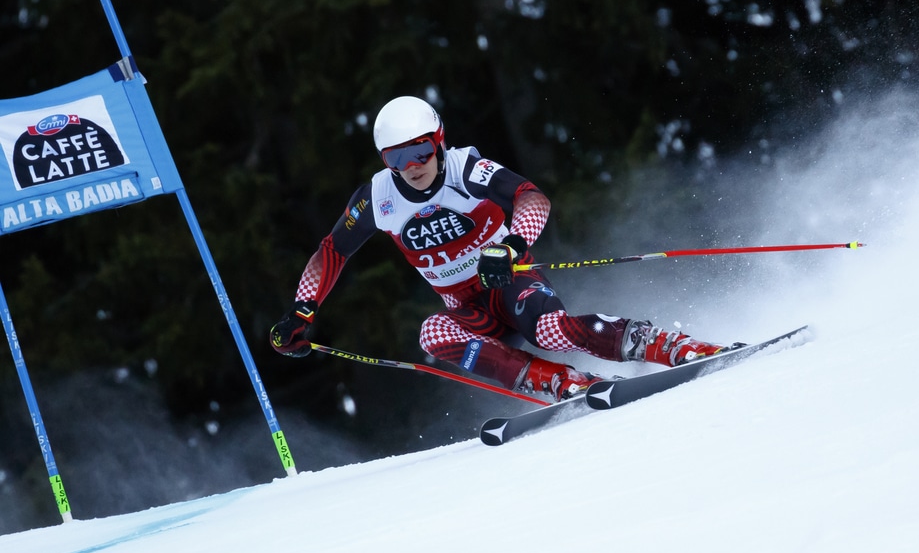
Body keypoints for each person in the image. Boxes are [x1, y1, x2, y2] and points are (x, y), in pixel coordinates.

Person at [269, 96, 730, 401]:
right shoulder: (378, 198)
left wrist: (511, 246)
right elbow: (331, 251)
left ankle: (669, 345)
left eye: (421, 151)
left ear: (439, 142)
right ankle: (555, 382)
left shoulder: (466, 169)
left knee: (549, 330)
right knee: (432, 335)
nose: (412, 166)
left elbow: (532, 197)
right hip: (469, 308)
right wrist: (303, 310)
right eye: (396, 158)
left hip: (509, 281)